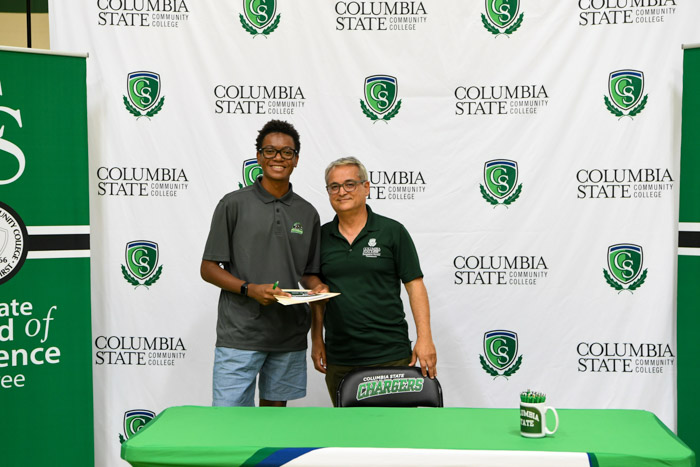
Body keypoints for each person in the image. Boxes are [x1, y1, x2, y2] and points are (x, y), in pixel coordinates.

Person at [201, 119, 327, 407]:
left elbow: (308, 273)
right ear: (258, 156)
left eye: (286, 152)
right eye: (270, 151)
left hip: (288, 335)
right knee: (229, 423)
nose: (278, 158)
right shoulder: (232, 204)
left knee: (273, 426)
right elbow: (208, 268)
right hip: (240, 336)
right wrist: (250, 289)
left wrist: (317, 285)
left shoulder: (307, 213)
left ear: (296, 159)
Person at [311, 156, 437, 405]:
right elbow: (318, 297)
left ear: (366, 187)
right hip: (341, 357)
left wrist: (425, 338)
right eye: (334, 187)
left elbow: (415, 286)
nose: (341, 192)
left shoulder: (392, 231)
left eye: (349, 184)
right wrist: (316, 340)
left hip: (390, 354)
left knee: (394, 435)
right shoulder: (320, 236)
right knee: (347, 437)